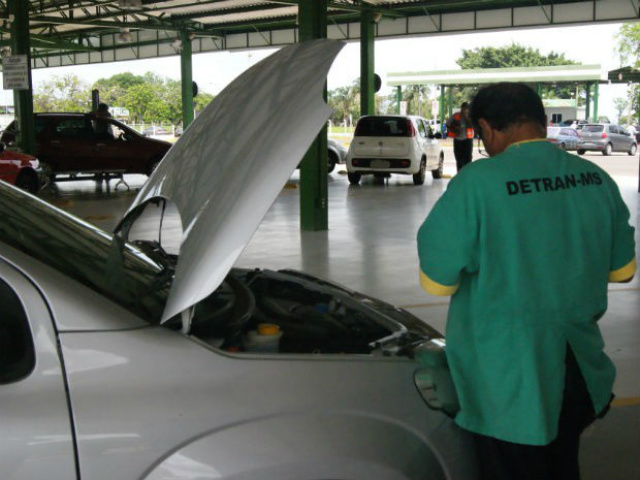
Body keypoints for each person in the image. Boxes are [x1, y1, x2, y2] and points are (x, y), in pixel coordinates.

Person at [416, 82, 636, 480]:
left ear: (486, 127)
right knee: (562, 462)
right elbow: (623, 270)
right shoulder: (595, 178)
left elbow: (437, 281)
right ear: (541, 121)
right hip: (580, 369)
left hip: (508, 380)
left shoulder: (477, 183)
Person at [446, 101, 474, 171]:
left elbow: (472, 125)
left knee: (468, 160)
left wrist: (465, 117)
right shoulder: (456, 115)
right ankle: (459, 174)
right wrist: (454, 129)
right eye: (463, 108)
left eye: (466, 109)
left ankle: (467, 175)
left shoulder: (470, 116)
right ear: (461, 108)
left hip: (467, 140)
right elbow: (448, 124)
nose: (464, 110)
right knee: (459, 159)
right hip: (458, 141)